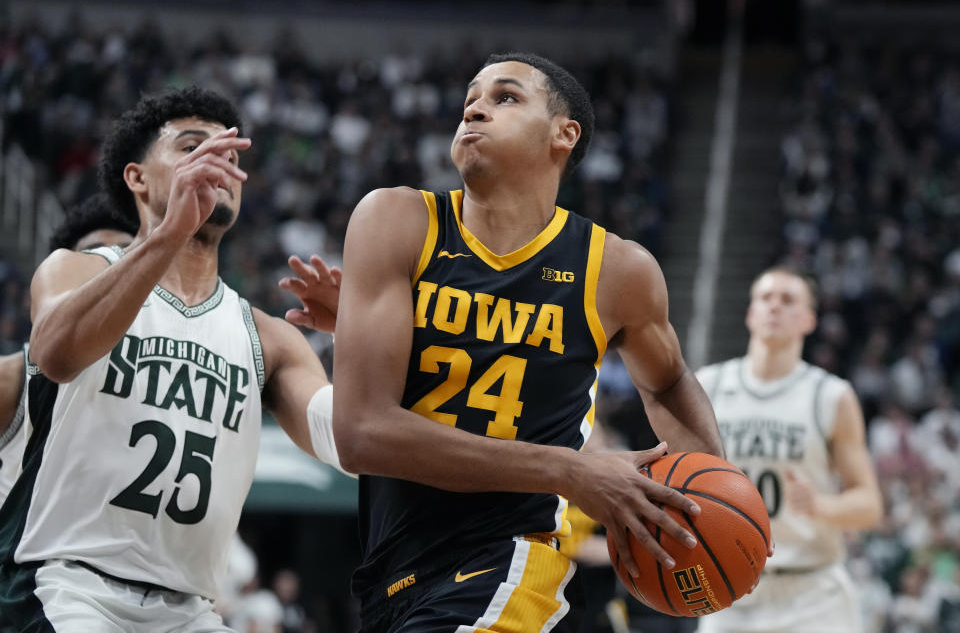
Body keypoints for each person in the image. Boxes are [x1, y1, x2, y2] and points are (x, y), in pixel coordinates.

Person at [314, 52, 729, 632]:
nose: (475, 108)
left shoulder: (616, 270)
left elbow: (669, 382)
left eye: (505, 97)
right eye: (470, 100)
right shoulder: (396, 221)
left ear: (565, 134)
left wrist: (716, 503)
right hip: (393, 573)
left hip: (514, 564)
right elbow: (360, 435)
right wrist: (569, 470)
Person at [0, 86, 341, 632]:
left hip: (191, 610)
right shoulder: (76, 269)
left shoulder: (268, 337)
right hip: (70, 588)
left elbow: (350, 442)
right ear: (138, 178)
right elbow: (56, 355)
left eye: (229, 157)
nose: (217, 164)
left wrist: (359, 335)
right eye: (191, 148)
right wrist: (168, 234)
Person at [694, 266, 883, 633]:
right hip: (731, 589)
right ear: (750, 313)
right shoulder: (708, 386)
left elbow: (870, 505)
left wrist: (820, 505)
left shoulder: (831, 396)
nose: (774, 307)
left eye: (788, 300)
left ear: (809, 320)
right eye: (765, 298)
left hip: (813, 593)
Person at [0, 192, 138, 506]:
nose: (111, 271)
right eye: (94, 258)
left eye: (127, 259)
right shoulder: (14, 379)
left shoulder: (177, 383)